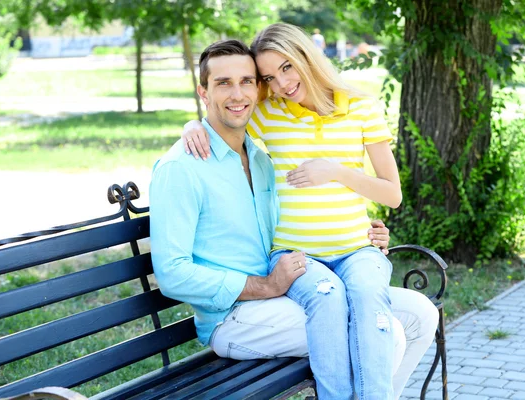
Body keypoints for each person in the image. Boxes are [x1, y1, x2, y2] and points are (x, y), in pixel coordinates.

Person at [159, 35, 437, 399]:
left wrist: (354, 228)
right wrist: (192, 126)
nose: (240, 94)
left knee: (420, 313)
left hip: (296, 280)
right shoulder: (185, 166)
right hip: (242, 309)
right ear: (204, 92)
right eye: (223, 83)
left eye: (249, 82)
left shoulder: (257, 158)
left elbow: (303, 203)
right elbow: (171, 273)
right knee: (385, 331)